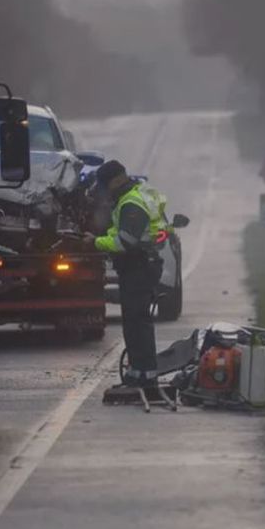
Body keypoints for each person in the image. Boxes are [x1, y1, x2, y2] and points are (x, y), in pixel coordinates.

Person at [84, 160, 166, 387]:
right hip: (138, 267)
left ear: (118, 179)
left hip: (139, 268)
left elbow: (126, 241)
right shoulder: (131, 198)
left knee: (138, 322)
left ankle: (145, 375)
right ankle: (137, 372)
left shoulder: (131, 203)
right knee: (134, 322)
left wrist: (96, 243)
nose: (106, 190)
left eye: (106, 184)